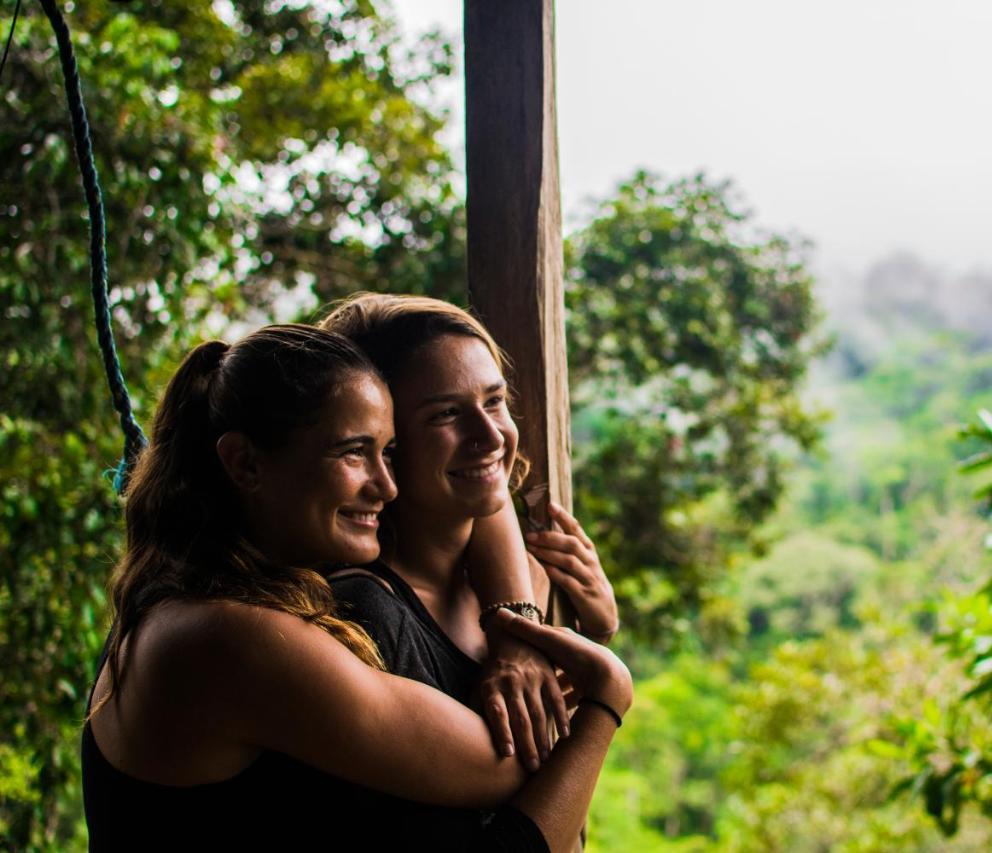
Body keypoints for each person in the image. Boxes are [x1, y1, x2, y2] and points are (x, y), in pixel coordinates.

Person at [82, 324, 631, 852]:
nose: (386, 486)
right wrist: (601, 687)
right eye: (353, 452)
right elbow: (513, 756)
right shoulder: (228, 638)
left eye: (389, 453)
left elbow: (484, 493)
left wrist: (513, 624)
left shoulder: (207, 601)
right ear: (245, 463)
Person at [319, 294, 620, 772]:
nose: (492, 436)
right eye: (446, 414)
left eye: (495, 401)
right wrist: (607, 693)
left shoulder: (529, 580)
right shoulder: (365, 615)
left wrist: (594, 635)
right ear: (383, 441)